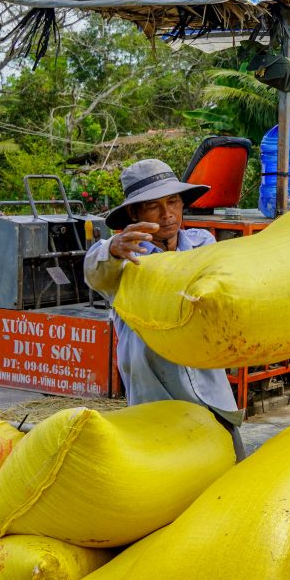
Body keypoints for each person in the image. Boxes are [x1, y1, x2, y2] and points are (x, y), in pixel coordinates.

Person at [84, 159, 246, 460]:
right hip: (155, 398)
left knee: (230, 466)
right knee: (168, 477)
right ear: (134, 213)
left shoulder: (202, 244)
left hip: (211, 392)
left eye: (173, 201)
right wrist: (114, 247)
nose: (168, 214)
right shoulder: (124, 258)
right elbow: (93, 271)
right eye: (153, 206)